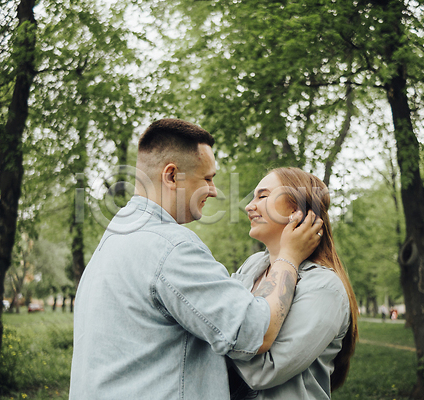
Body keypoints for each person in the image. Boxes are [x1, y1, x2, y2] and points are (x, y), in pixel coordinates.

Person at [69, 119, 323, 400]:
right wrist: (288, 256)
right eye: (207, 178)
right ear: (171, 176)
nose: (214, 191)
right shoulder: (170, 247)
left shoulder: (114, 239)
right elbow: (256, 332)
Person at [229, 167, 359, 400]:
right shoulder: (252, 265)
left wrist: (215, 334)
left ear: (297, 211)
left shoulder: (324, 287)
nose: (249, 206)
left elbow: (264, 371)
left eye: (263, 196)